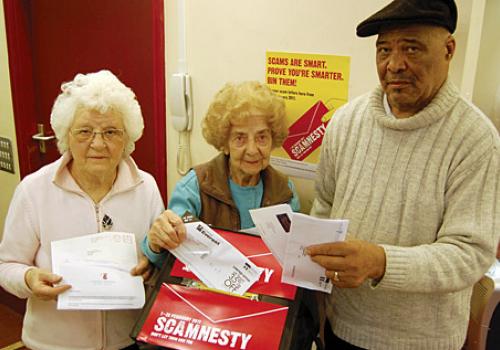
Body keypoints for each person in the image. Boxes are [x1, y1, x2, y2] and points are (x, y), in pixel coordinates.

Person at [305, 0, 500, 349]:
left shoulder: (476, 139)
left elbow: (470, 254)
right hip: (342, 326)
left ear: (448, 50)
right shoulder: (346, 122)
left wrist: (380, 262)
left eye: (412, 47)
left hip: (424, 341)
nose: (394, 64)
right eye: (384, 50)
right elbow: (325, 204)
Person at [0, 70, 165, 350]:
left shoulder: (145, 187)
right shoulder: (34, 190)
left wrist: (152, 266)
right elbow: (6, 266)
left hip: (128, 341)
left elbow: (159, 256)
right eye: (85, 131)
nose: (98, 144)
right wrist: (29, 279)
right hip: (53, 344)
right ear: (66, 135)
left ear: (127, 137)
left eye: (111, 132)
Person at [141, 81, 300, 265]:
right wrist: (156, 243)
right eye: (240, 138)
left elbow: (292, 260)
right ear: (224, 142)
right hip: (207, 290)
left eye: (262, 137)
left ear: (273, 139)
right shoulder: (195, 187)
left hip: (265, 290)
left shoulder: (285, 191)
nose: (252, 150)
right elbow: (168, 255)